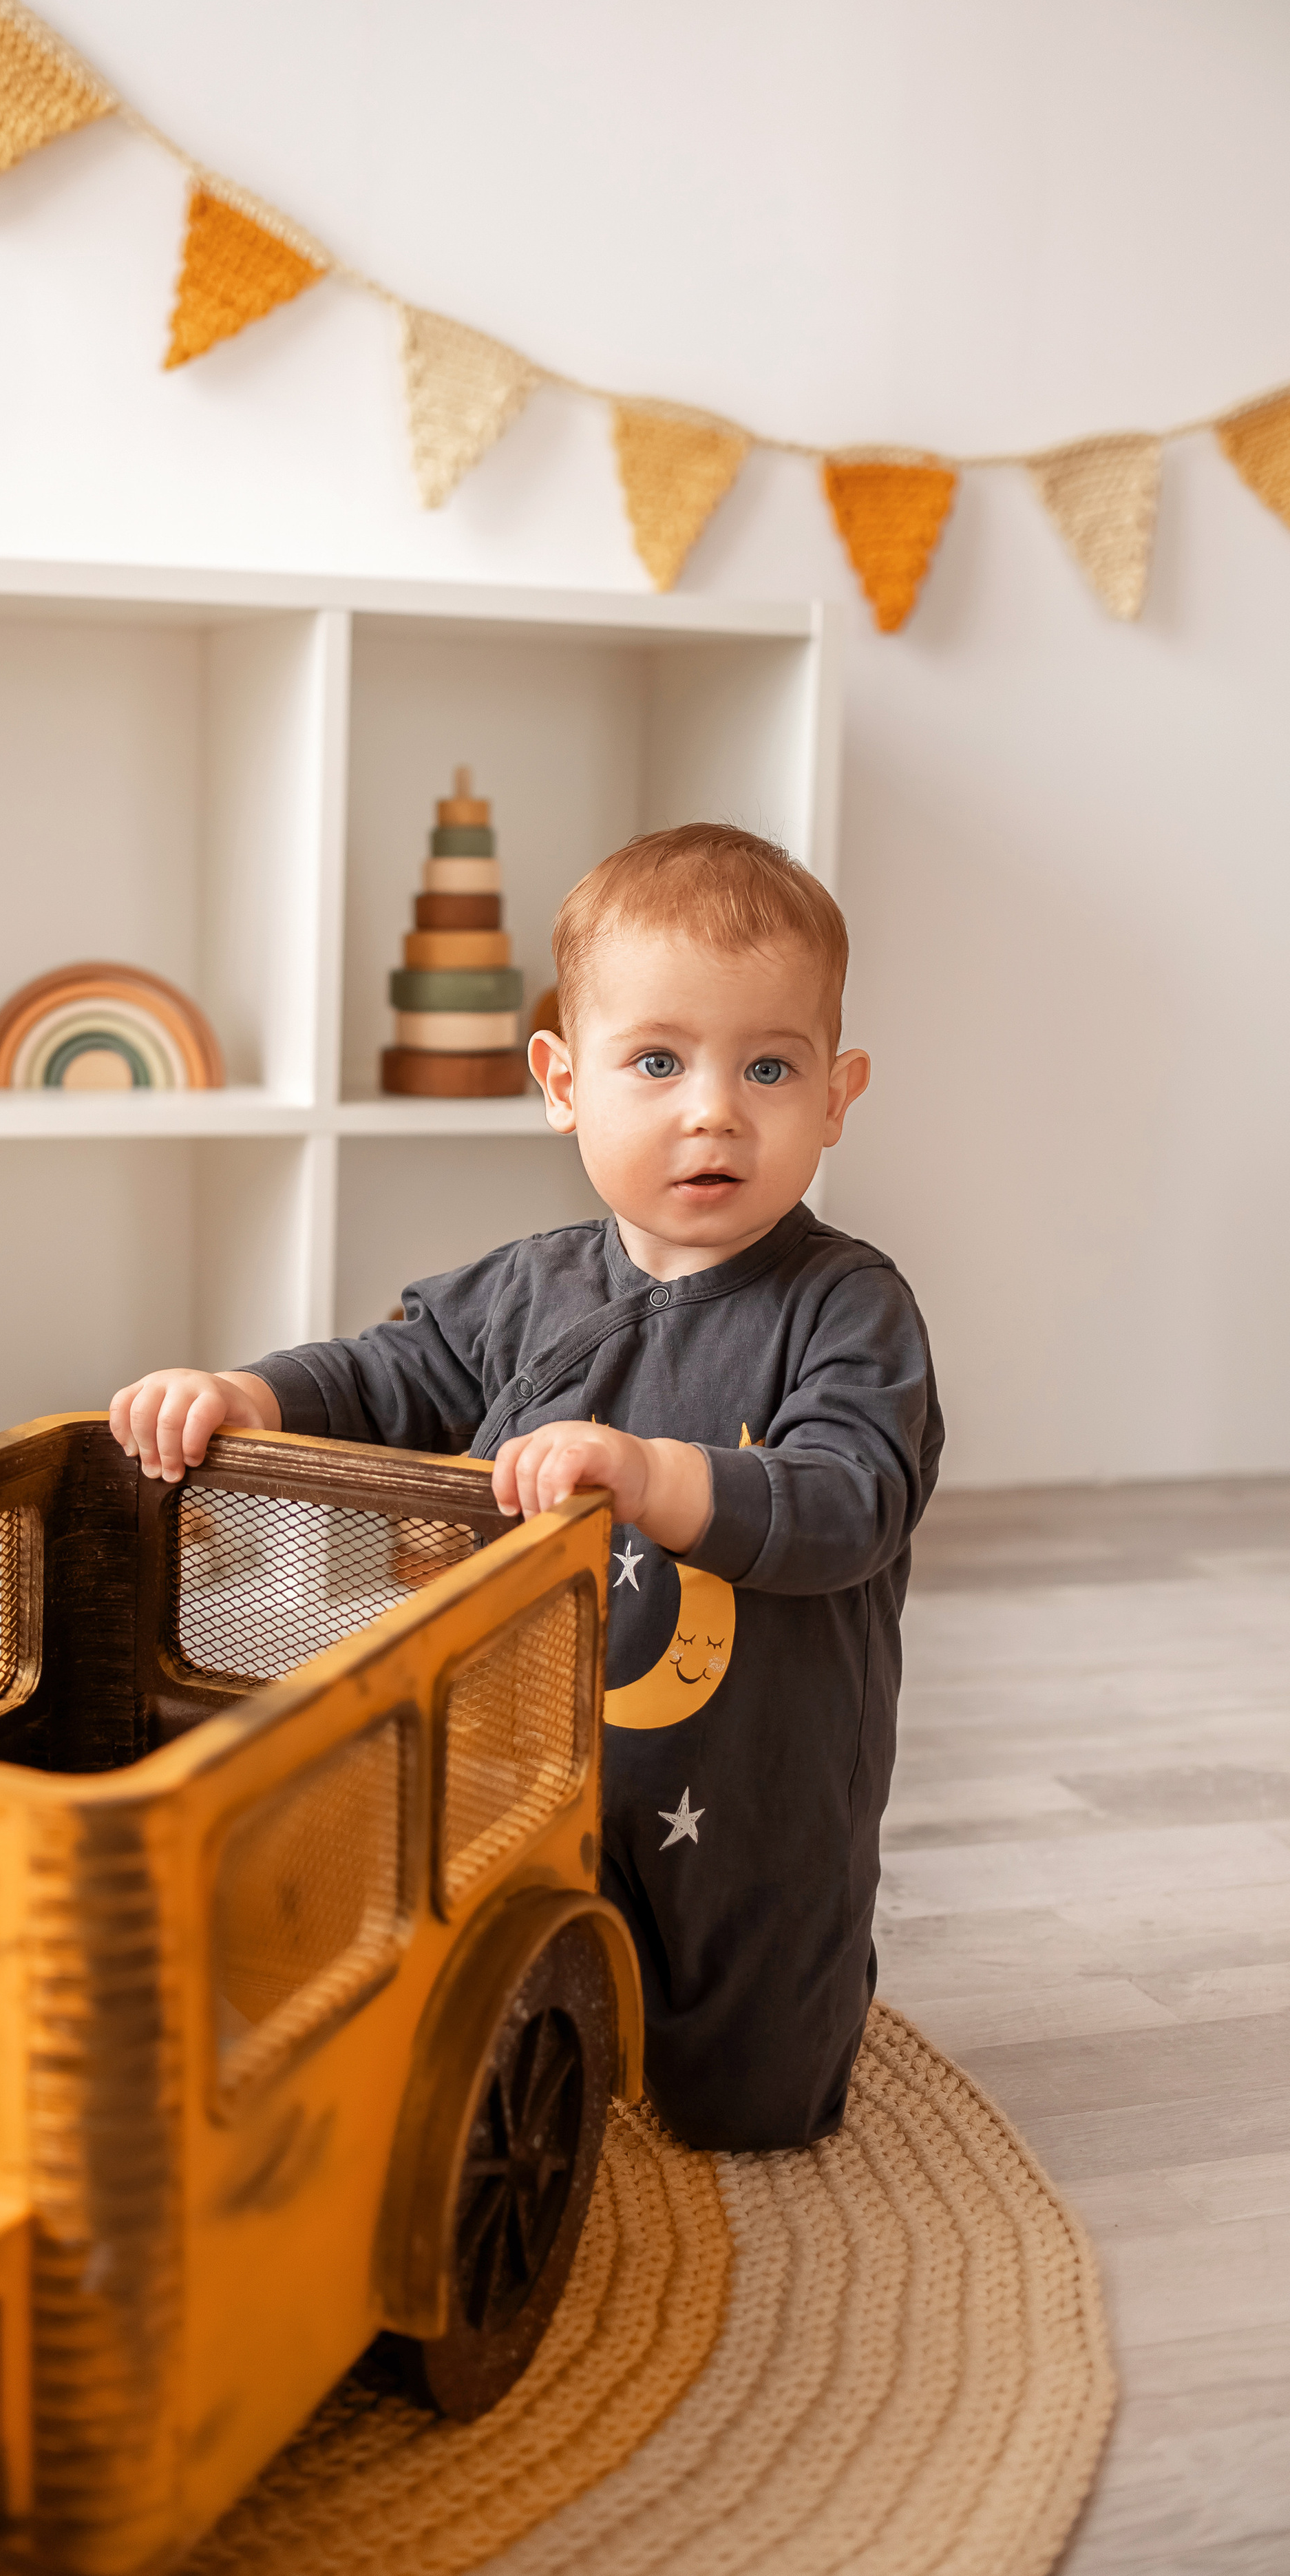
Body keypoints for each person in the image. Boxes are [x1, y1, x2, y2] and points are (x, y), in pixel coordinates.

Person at [110, 823, 943, 2151]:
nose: (713, 1107)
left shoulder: (846, 1307)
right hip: (523, 1765)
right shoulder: (528, 1290)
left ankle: (790, 2012)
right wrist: (247, 1395)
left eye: (769, 1066)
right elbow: (387, 1372)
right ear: (564, 1080)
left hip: (752, 1799)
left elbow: (850, 1502)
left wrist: (656, 1478)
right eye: (658, 1061)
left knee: (753, 2104)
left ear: (837, 1095)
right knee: (489, 2040)